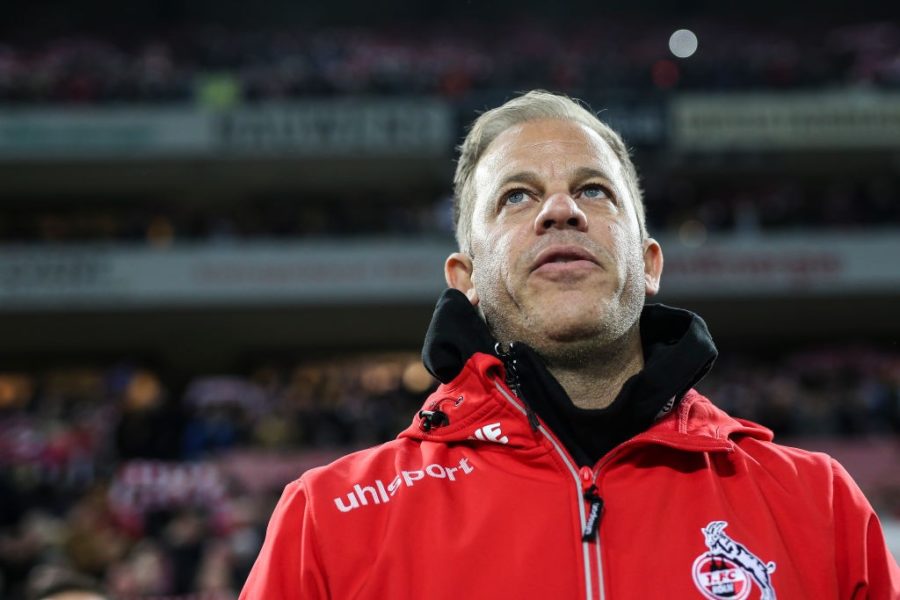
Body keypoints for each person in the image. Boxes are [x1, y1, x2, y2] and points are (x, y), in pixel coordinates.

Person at [240, 90, 900, 599]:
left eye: (592, 189)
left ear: (648, 264)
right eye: (517, 196)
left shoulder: (821, 507)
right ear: (465, 280)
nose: (562, 210)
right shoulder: (328, 520)